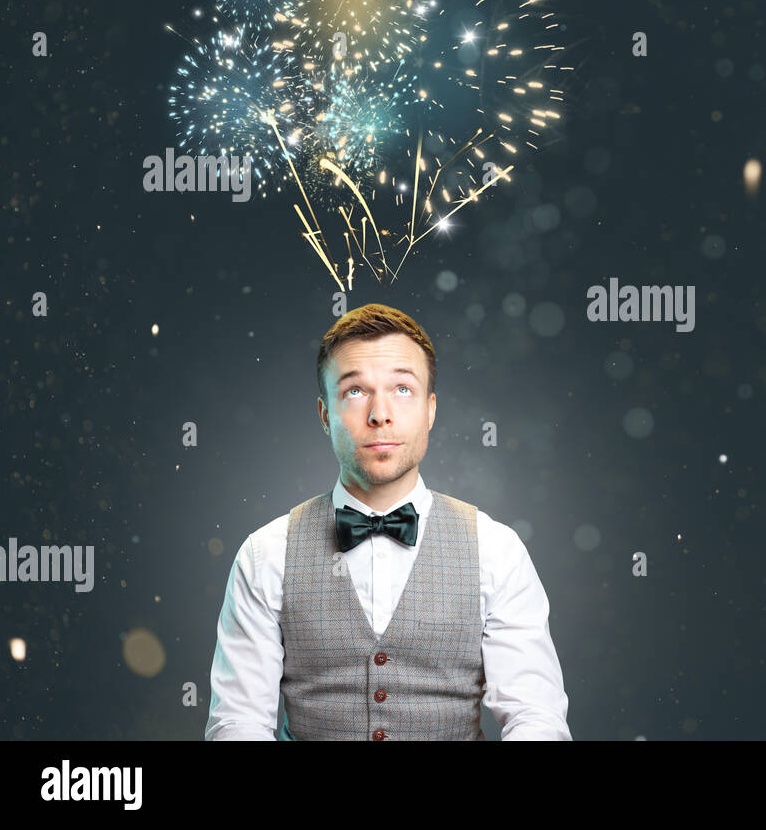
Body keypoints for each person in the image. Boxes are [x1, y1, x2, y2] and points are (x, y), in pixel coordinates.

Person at [205, 303, 570, 740]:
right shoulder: (264, 554)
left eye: (402, 388)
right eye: (355, 391)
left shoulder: (498, 550)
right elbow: (239, 724)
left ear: (431, 410)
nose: (380, 414)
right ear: (325, 415)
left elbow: (535, 717)